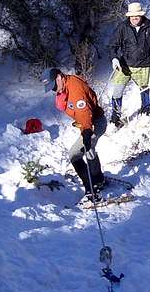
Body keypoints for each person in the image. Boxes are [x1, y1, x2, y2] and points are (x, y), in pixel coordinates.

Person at [44, 67, 107, 199]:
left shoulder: (75, 88)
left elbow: (84, 112)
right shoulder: (65, 86)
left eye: (54, 86)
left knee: (74, 155)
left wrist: (86, 132)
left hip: (93, 124)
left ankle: (92, 190)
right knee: (89, 150)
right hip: (89, 124)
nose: (54, 90)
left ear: (59, 77)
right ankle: (98, 180)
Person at [109, 1, 150, 127]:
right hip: (124, 65)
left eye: (137, 16)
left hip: (143, 64)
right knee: (117, 90)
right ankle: (115, 117)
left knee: (143, 88)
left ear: (141, 15)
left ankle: (145, 111)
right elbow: (113, 45)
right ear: (129, 16)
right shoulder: (123, 27)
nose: (134, 19)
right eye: (132, 17)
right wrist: (114, 58)